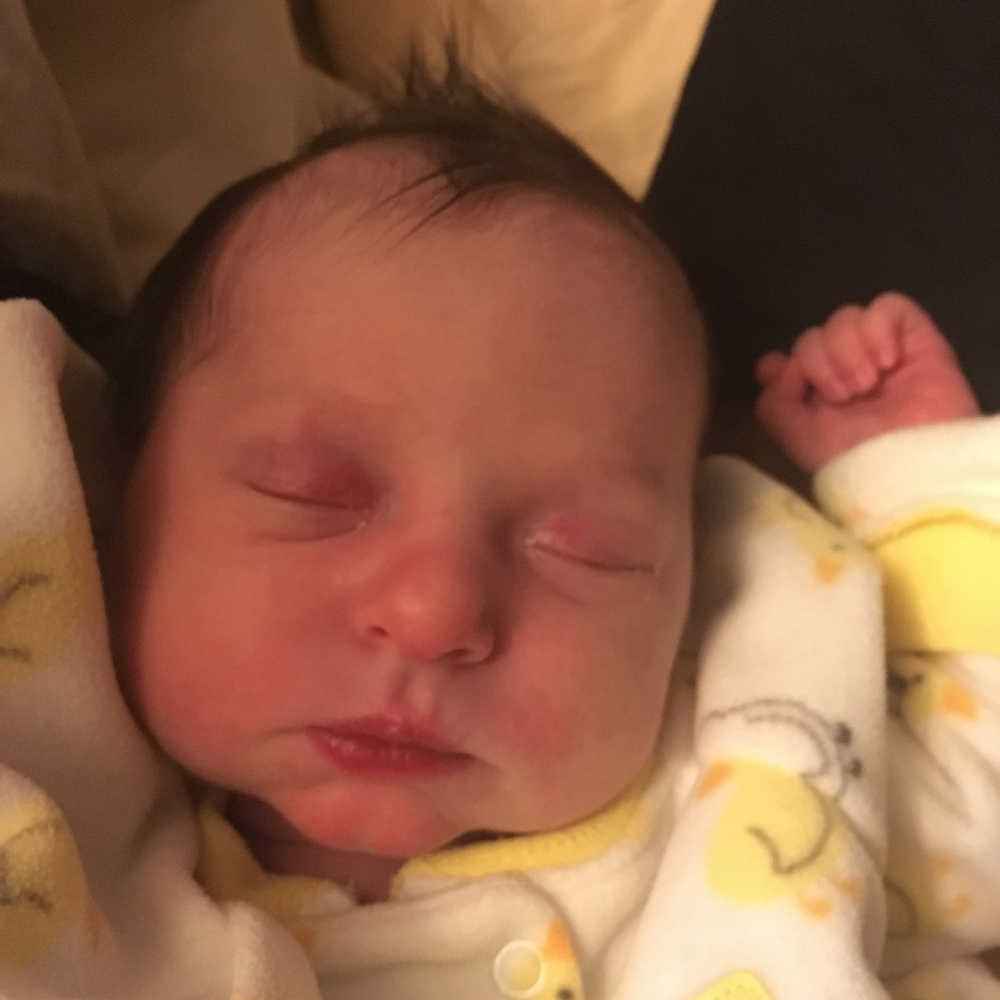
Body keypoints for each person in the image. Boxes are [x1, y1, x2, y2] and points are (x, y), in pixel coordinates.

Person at [0, 83, 997, 1000]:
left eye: (584, 548)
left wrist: (916, 474)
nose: (434, 610)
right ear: (113, 492)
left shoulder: (754, 759)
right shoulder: (80, 870)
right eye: (309, 495)